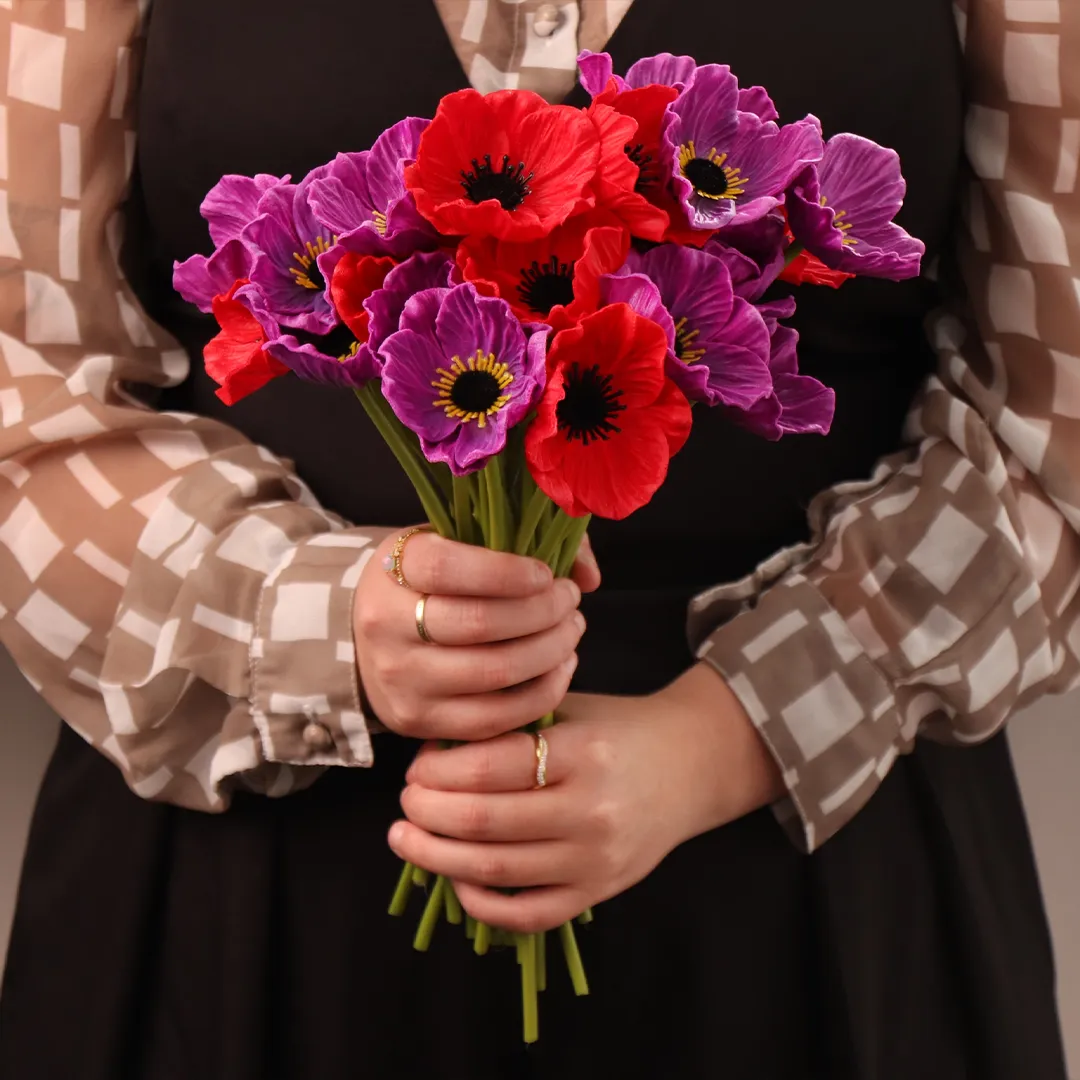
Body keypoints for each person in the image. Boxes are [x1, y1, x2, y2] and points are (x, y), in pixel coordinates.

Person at [0, 1, 1075, 1077]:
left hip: (819, 899)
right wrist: (317, 617)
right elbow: (25, 387)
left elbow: (1053, 442)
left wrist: (732, 736)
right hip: (237, 901)